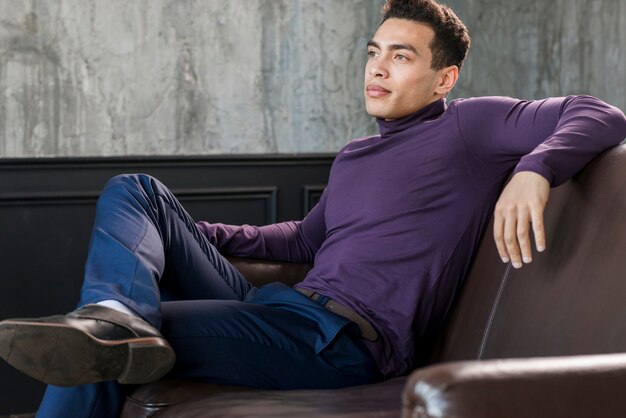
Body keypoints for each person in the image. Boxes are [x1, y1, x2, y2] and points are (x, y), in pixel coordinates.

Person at [2, 0, 625, 416]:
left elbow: (599, 112)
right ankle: (113, 313)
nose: (378, 69)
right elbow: (304, 240)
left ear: (444, 79)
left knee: (110, 349)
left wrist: (533, 169)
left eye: (401, 56)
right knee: (135, 189)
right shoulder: (356, 155)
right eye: (374, 51)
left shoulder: (471, 126)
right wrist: (187, 231)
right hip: (282, 309)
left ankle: (113, 327)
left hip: (341, 341)